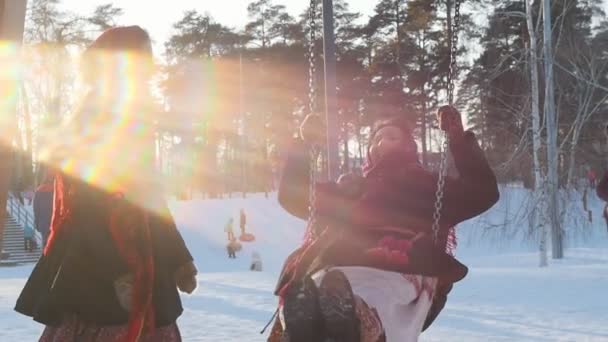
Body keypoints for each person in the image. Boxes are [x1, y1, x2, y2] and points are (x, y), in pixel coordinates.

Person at [14, 26, 197, 342]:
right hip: (98, 269)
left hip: (143, 259)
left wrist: (180, 258)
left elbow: (150, 198)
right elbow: (85, 203)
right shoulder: (91, 119)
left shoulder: (136, 117)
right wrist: (118, 266)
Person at [268, 107, 499, 342]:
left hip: (402, 263)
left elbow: (482, 194)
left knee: (373, 290)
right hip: (342, 261)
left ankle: (355, 321)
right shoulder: (353, 188)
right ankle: (307, 323)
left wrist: (458, 141)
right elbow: (294, 197)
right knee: (319, 286)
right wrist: (305, 146)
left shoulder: (427, 186)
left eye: (391, 136)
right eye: (376, 138)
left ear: (409, 146)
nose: (381, 142)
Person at [33, 171, 54, 248]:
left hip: (43, 224)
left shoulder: (39, 191)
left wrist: (37, 222)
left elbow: (36, 209)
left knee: (45, 244)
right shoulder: (57, 191)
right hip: (55, 223)